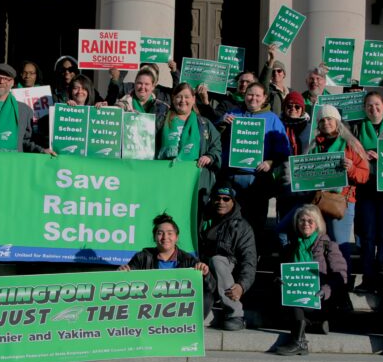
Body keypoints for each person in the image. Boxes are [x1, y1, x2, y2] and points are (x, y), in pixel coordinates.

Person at [218, 82, 290, 250]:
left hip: (258, 179)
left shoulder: (272, 118)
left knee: (255, 222)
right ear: (245, 95)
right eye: (250, 94)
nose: (253, 98)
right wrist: (222, 122)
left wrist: (270, 162)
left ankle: (251, 259)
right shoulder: (234, 114)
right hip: (232, 177)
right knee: (231, 221)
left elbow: (284, 150)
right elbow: (214, 138)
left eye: (258, 95)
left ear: (264, 98)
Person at [276, 204, 348, 355]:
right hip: (299, 298)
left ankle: (299, 341)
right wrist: (280, 280)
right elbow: (278, 272)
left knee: (296, 300)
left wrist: (325, 290)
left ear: (317, 224)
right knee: (293, 297)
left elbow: (341, 275)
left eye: (310, 221)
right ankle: (311, 325)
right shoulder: (291, 246)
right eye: (302, 220)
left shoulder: (328, 245)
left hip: (321, 299)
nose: (305, 224)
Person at [308, 104, 369, 281]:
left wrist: (350, 169)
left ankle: (344, 282)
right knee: (318, 243)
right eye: (322, 120)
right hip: (317, 201)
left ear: (337, 122)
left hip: (341, 201)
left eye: (329, 119)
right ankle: (324, 281)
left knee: (339, 245)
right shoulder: (314, 145)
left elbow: (364, 175)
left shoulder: (351, 144)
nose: (326, 122)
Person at [117, 213, 216, 318]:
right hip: (149, 305)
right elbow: (125, 283)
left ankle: (190, 327)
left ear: (176, 237)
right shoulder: (142, 257)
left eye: (170, 233)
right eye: (160, 233)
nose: (165, 237)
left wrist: (206, 274)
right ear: (155, 237)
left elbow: (211, 287)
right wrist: (122, 273)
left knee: (208, 297)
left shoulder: (188, 260)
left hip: (178, 305)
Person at [351, 92, 383, 292]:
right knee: (367, 235)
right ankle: (368, 277)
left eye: (377, 105)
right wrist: (363, 157)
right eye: (369, 106)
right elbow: (349, 153)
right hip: (366, 187)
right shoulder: (358, 128)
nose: (373, 109)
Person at [199, 182, 257, 331]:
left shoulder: (242, 226)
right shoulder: (202, 219)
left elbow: (249, 260)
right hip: (203, 269)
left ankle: (235, 313)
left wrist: (242, 285)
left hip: (227, 268)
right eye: (217, 198)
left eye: (226, 199)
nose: (221, 202)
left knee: (217, 260)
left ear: (233, 201)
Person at [0, 63, 55, 157]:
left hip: (11, 165)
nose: (1, 82)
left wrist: (41, 150)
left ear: (12, 83)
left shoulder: (24, 110)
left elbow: (25, 141)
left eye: (6, 79)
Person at [156, 82, 221, 207]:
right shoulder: (161, 120)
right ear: (173, 98)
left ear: (193, 99)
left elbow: (216, 146)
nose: (182, 100)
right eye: (179, 96)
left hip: (195, 180)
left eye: (187, 97)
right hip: (167, 177)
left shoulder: (204, 124)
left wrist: (210, 156)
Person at [275, 91, 312, 246]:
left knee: (302, 223)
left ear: (302, 109)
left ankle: (299, 258)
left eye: (297, 107)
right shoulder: (277, 124)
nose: (293, 109)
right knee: (283, 224)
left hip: (305, 183)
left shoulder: (310, 128)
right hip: (283, 182)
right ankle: (285, 259)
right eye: (289, 106)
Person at [106, 61, 180, 106]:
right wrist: (116, 77)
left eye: (151, 74)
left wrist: (174, 71)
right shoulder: (129, 88)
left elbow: (178, 92)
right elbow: (114, 91)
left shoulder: (163, 93)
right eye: (144, 72)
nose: (143, 87)